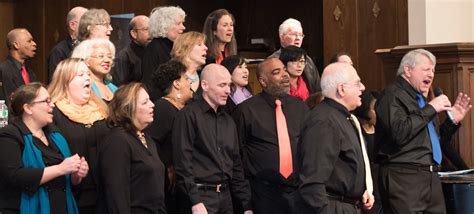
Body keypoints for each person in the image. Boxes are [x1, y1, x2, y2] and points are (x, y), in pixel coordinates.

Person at [375, 49, 472, 213]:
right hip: (404, 177)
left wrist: (451, 122)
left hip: (431, 177)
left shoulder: (422, 100)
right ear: (408, 70)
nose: (431, 74)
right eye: (426, 69)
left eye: (433, 70)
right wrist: (431, 108)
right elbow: (399, 132)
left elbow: (431, 142)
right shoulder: (392, 95)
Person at [172, 64, 252, 214]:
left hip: (226, 196)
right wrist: (195, 201)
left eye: (229, 85)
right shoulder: (188, 115)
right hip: (200, 195)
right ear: (205, 85)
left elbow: (236, 164)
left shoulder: (229, 121)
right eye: (222, 85)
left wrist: (246, 205)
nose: (228, 91)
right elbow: (182, 162)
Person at [233, 58, 308, 214]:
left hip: (298, 194)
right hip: (262, 195)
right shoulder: (246, 111)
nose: (285, 75)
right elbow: (236, 157)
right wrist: (245, 200)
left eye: (284, 70)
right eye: (276, 72)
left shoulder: (300, 107)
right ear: (263, 81)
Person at [297, 62, 374, 213]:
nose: (363, 87)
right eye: (357, 83)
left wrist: (359, 190)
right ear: (341, 89)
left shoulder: (343, 118)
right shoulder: (324, 122)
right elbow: (313, 181)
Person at [0, 82, 89, 213]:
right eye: (46, 101)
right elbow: (16, 176)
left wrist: (76, 175)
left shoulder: (55, 135)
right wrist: (60, 168)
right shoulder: (10, 135)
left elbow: (67, 181)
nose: (52, 105)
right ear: (28, 108)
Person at [48, 58, 109, 213]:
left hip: (106, 192)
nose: (88, 78)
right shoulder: (53, 113)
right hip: (75, 195)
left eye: (88, 74)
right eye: (81, 74)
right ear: (65, 81)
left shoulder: (101, 108)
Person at [99, 82, 165, 213]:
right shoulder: (117, 141)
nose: (152, 105)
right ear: (128, 108)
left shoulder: (147, 138)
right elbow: (116, 194)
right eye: (145, 102)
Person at [144, 60, 193, 213]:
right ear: (176, 83)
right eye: (186, 78)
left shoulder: (184, 108)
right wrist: (167, 166)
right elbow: (151, 141)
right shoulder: (163, 108)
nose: (190, 82)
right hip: (168, 185)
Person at [268, 18, 321, 94]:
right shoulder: (272, 61)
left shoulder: (308, 60)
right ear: (282, 37)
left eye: (301, 35)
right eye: (294, 34)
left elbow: (317, 88)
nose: (298, 38)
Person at [141, 6, 186, 95]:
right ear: (164, 26)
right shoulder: (153, 48)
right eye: (178, 24)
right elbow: (150, 83)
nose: (183, 27)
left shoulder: (175, 47)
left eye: (182, 23)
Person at [47, 6, 88, 82]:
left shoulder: (90, 47)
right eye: (86, 22)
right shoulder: (59, 51)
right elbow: (55, 84)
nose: (89, 26)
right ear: (73, 25)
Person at [0, 28, 37, 107]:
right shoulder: (2, 70)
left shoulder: (30, 73)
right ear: (16, 45)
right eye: (29, 41)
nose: (34, 44)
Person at [111, 15, 151, 86]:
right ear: (134, 33)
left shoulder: (153, 53)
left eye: (152, 29)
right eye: (146, 29)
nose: (151, 33)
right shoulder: (123, 58)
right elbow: (120, 89)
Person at [169, 31, 207, 99]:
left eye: (204, 44)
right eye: (199, 44)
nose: (206, 48)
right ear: (185, 49)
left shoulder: (204, 76)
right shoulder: (173, 76)